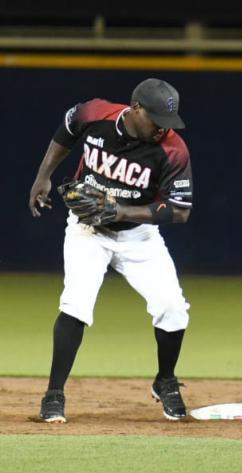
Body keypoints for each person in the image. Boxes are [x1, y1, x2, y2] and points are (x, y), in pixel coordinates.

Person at [28, 78, 194, 423]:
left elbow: (180, 211)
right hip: (88, 230)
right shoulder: (96, 113)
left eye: (168, 123)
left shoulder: (173, 149)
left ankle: (165, 380)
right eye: (157, 121)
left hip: (140, 236)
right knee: (76, 304)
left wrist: (121, 212)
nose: (163, 130)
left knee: (173, 307)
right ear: (135, 109)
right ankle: (54, 395)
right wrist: (44, 176)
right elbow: (67, 130)